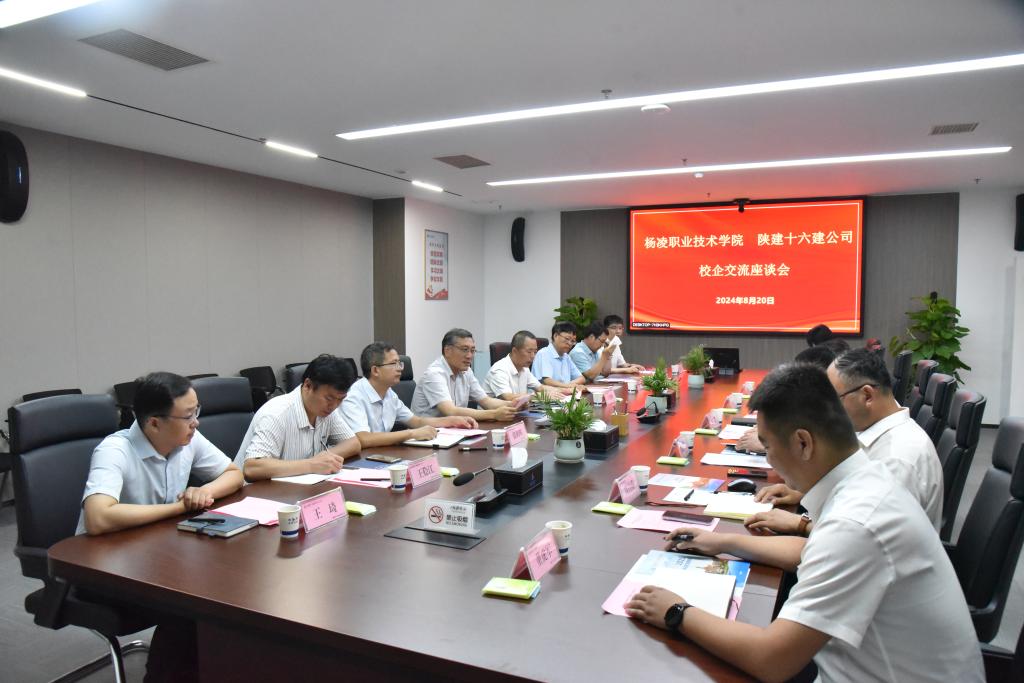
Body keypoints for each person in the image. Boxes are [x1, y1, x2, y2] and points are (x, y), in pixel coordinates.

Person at [625, 363, 983, 683]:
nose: (768, 459)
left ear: (803, 443)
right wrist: (722, 542)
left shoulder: (857, 521)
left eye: (767, 446)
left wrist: (676, 611)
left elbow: (772, 660)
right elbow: (813, 551)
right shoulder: (866, 479)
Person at [77, 372, 246, 683]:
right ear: (154, 423)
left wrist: (203, 491)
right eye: (188, 415)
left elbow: (234, 474)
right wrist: (180, 508)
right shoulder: (114, 450)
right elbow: (98, 518)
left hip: (158, 555)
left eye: (197, 411)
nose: (196, 422)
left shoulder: (186, 440)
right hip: (103, 568)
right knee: (195, 600)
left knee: (229, 582)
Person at [750, 348, 943, 533]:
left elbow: (866, 533)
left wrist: (802, 524)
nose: (825, 409)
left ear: (867, 395)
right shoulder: (873, 428)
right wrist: (803, 493)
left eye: (833, 399)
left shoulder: (896, 460)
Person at [236, 354, 361, 481]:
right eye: (329, 398)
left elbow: (353, 443)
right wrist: (311, 464)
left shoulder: (326, 411)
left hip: (296, 487)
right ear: (308, 385)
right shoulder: (276, 414)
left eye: (340, 400)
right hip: (256, 490)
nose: (334, 406)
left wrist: (323, 461)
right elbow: (252, 468)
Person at [341, 342, 476, 447]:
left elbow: (416, 421)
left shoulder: (389, 393)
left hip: (380, 453)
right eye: (394, 364)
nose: (400, 369)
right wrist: (411, 433)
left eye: (399, 363)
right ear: (375, 370)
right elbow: (363, 439)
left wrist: (452, 421)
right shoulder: (353, 397)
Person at [410, 328, 518, 421]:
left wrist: (513, 405)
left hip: (454, 429)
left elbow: (485, 401)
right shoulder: (434, 374)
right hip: (427, 433)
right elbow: (450, 411)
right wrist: (494, 414)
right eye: (465, 350)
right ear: (447, 351)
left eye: (472, 350)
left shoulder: (467, 371)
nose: (469, 356)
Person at [484, 330, 567, 401]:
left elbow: (540, 388)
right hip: (497, 414)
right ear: (515, 351)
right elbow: (508, 397)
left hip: (518, 411)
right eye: (529, 352)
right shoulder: (499, 370)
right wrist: (540, 396)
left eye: (535, 352)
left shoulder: (524, 368)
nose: (533, 356)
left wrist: (566, 390)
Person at [532, 321, 587, 389]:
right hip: (546, 394)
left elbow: (581, 378)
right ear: (555, 336)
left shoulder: (566, 357)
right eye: (567, 339)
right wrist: (568, 386)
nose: (570, 343)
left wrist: (570, 385)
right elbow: (547, 381)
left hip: (563, 393)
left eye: (573, 341)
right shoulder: (544, 354)